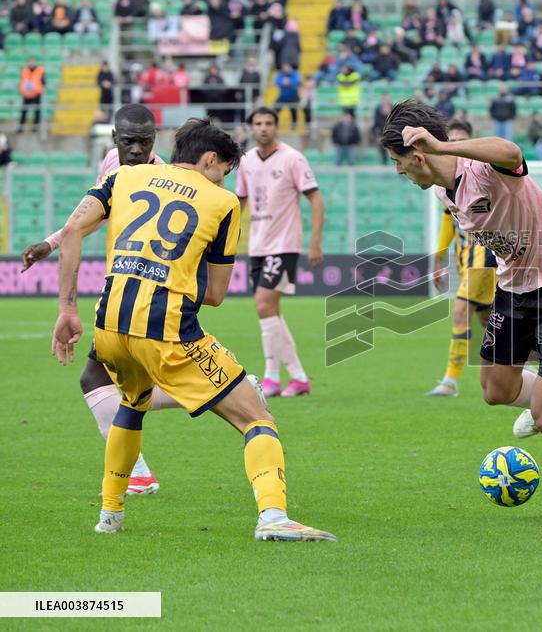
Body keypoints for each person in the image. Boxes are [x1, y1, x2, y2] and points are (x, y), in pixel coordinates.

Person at [50, 117, 335, 542]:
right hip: (166, 330)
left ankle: (109, 514)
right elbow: (216, 294)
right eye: (225, 171)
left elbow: (72, 229)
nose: (226, 181)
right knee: (257, 416)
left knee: (132, 402)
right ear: (210, 159)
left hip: (108, 324)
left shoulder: (126, 175)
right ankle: (274, 516)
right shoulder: (222, 204)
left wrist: (66, 309)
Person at [382, 99, 542, 531]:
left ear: (419, 155)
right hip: (514, 287)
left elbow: (513, 153)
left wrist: (444, 148)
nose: (399, 171)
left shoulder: (480, 167)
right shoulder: (445, 190)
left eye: (399, 162)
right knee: (495, 389)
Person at [22, 104, 177, 496]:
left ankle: (224, 389)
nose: (138, 150)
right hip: (122, 291)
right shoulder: (112, 165)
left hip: (144, 293)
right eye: (129, 142)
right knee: (108, 381)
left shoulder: (163, 177)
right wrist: (51, 243)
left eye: (145, 142)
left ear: (155, 140)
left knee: (102, 380)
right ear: (114, 140)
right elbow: (89, 218)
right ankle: (139, 471)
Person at [236, 107, 325, 397]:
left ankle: (271, 375)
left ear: (277, 126)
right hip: (258, 245)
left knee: (263, 304)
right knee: (271, 310)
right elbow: (241, 202)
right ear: (251, 128)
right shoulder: (246, 161)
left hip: (284, 244)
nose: (264, 128)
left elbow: (316, 200)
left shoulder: (292, 158)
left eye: (269, 123)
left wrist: (314, 243)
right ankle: (298, 377)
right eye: (258, 123)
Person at [426, 120, 500, 397]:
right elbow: (448, 223)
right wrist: (439, 258)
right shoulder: (446, 182)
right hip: (465, 260)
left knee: (460, 310)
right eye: (452, 141)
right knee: (488, 319)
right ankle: (525, 363)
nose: (456, 146)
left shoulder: (480, 174)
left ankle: (450, 380)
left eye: (461, 140)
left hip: (483, 259)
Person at [18, 58, 45, 133]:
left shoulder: (40, 70)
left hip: (36, 94)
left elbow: (44, 82)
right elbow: (22, 81)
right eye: (29, 62)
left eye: (32, 62)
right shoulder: (25, 70)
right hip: (26, 94)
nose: (31, 64)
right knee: (24, 111)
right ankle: (21, 127)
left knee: (37, 111)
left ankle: (36, 127)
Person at [273, 63, 301, 130]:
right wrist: (283, 82)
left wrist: (288, 82)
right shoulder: (280, 73)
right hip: (283, 96)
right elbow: (277, 81)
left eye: (287, 68)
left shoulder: (295, 73)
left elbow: (297, 80)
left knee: (293, 110)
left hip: (293, 96)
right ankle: (274, 123)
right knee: (276, 109)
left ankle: (294, 125)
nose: (286, 70)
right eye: (284, 69)